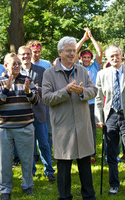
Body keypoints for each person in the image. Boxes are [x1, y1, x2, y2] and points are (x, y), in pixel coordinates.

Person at [42, 36, 97, 200]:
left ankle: (89, 196)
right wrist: (65, 91)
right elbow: (46, 98)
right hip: (63, 126)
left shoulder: (81, 70)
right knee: (64, 167)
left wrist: (82, 93)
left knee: (85, 165)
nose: (72, 53)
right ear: (60, 53)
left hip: (82, 124)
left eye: (74, 50)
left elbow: (93, 91)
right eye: (68, 51)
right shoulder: (49, 73)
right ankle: (65, 197)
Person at [94, 45, 125, 200]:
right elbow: (97, 98)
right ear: (107, 59)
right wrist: (99, 118)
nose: (115, 59)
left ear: (122, 56)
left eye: (117, 55)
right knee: (111, 153)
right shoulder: (102, 74)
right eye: (111, 56)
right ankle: (114, 184)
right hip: (110, 117)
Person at [0, 53, 38, 200]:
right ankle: (5, 189)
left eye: (19, 63)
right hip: (4, 127)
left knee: (27, 159)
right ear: (6, 66)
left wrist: (28, 92)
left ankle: (28, 185)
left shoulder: (28, 80)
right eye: (14, 63)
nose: (17, 66)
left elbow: (36, 101)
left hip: (25, 126)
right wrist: (6, 89)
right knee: (4, 161)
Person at [18, 45, 55, 181]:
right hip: (23, 112)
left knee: (44, 143)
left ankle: (49, 170)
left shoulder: (41, 70)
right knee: (28, 145)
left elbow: (47, 90)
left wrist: (35, 90)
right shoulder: (16, 70)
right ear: (19, 55)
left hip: (39, 111)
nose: (26, 57)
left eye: (28, 54)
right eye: (23, 54)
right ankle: (30, 171)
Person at [76, 27, 103, 164]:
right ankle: (82, 151)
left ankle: (92, 153)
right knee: (80, 127)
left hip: (93, 103)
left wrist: (91, 37)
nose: (86, 59)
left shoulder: (95, 67)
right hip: (81, 102)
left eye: (88, 57)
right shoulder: (77, 67)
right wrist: (83, 38)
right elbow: (74, 51)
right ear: (81, 59)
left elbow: (100, 51)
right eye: (84, 57)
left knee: (92, 128)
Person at [27, 40, 53, 156]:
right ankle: (34, 154)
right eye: (34, 52)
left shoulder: (46, 64)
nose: (36, 54)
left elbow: (51, 81)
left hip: (43, 100)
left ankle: (47, 152)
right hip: (29, 102)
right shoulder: (24, 64)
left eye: (38, 51)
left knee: (47, 129)